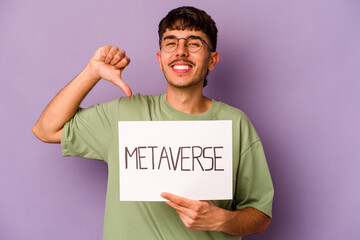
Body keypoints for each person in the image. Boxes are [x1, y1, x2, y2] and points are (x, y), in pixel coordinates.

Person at [33, 6, 274, 240]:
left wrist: (220, 219)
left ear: (212, 60)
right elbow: (45, 129)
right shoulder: (123, 114)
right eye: (171, 43)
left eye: (193, 43)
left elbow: (260, 215)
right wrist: (91, 72)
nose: (181, 51)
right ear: (160, 59)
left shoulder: (235, 123)